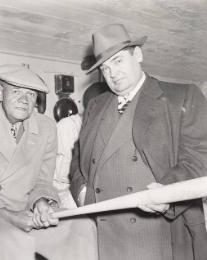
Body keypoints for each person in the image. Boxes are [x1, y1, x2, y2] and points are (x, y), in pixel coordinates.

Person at [70, 23, 207, 260]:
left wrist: (168, 194)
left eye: (119, 61)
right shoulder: (95, 105)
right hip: (105, 234)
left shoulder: (181, 96)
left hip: (162, 231)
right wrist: (83, 192)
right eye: (105, 68)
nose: (112, 73)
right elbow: (77, 160)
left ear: (139, 55)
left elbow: (200, 156)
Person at [0, 64, 97, 260]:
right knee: (10, 242)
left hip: (23, 211)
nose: (24, 100)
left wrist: (42, 202)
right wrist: (9, 216)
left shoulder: (46, 127)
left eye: (31, 94)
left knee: (82, 226)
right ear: (0, 92)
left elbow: (42, 181)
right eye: (16, 91)